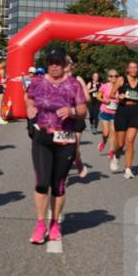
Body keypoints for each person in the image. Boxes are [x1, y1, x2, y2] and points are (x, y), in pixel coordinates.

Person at [25, 47, 87, 244]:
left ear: (64, 65)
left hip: (66, 138)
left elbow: (83, 111)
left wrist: (71, 112)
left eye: (58, 62)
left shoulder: (73, 85)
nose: (54, 66)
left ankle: (55, 224)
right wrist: (29, 106)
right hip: (43, 137)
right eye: (51, 62)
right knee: (42, 183)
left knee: (58, 185)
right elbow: (28, 98)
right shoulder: (37, 82)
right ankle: (40, 224)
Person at [111, 60, 138, 178]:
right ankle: (116, 157)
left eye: (135, 68)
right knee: (120, 144)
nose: (133, 70)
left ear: (137, 69)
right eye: (131, 68)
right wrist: (118, 96)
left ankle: (128, 169)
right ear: (127, 69)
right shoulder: (121, 79)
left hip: (134, 112)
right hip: (122, 111)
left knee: (130, 141)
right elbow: (112, 94)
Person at [66, 56, 89, 178]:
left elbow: (87, 98)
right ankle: (61, 176)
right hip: (60, 119)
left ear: (72, 65)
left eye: (67, 62)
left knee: (72, 148)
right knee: (61, 148)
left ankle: (78, 161)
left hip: (75, 118)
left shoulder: (78, 79)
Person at [97, 69, 119, 156]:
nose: (113, 77)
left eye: (116, 76)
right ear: (108, 77)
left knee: (113, 132)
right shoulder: (104, 86)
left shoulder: (120, 87)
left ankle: (111, 151)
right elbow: (98, 97)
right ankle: (103, 141)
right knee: (106, 133)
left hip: (115, 113)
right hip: (104, 111)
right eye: (111, 76)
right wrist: (104, 101)